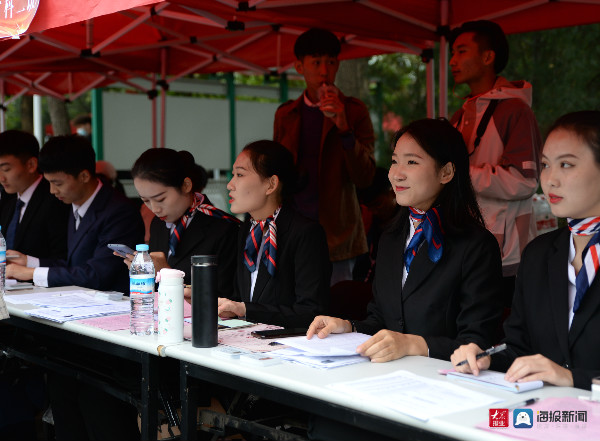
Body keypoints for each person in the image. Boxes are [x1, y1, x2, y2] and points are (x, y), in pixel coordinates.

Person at [307, 118, 503, 362]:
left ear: (446, 172)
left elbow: (477, 342)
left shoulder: (476, 246)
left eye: (411, 162)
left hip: (444, 383)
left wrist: (413, 344)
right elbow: (381, 320)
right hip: (387, 377)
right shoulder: (390, 237)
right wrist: (349, 327)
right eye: (394, 161)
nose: (396, 174)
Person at [451, 111, 600, 390]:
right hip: (543, 421)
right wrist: (484, 358)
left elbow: (559, 372)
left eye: (566, 165)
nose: (550, 179)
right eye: (545, 165)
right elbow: (519, 350)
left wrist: (572, 379)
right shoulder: (538, 255)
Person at [449, 20, 542, 306]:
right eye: (452, 53)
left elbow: (524, 181)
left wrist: (459, 175)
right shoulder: (461, 113)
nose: (453, 61)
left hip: (506, 254)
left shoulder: (516, 111)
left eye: (462, 51)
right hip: (465, 245)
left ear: (488, 57)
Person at [274, 27, 375, 285]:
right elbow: (275, 173)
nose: (324, 71)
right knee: (296, 306)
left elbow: (365, 177)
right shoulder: (286, 114)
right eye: (316, 62)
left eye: (331, 62)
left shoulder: (353, 110)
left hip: (339, 231)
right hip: (293, 226)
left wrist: (343, 127)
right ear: (299, 66)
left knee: (336, 308)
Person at [6, 135, 144, 294]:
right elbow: (74, 265)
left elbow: (96, 274)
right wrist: (29, 261)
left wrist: (31, 273)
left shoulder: (119, 212)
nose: (52, 191)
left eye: (58, 183)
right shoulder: (75, 202)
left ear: (84, 176)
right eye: (49, 182)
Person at [217, 140, 331, 328]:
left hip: (289, 346)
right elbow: (240, 297)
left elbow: (311, 312)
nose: (230, 185)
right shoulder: (247, 229)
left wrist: (246, 310)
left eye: (239, 174)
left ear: (271, 184)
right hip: (247, 340)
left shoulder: (305, 233)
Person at [128, 148, 239, 294]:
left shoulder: (224, 228)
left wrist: (166, 273)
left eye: (160, 199)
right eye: (146, 201)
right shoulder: (158, 224)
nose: (155, 208)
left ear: (186, 185)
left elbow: (225, 296)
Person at [0, 130, 69, 260]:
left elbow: (63, 258)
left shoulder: (56, 198)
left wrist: (28, 265)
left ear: (31, 165)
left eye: (6, 169)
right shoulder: (8, 198)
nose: (1, 178)